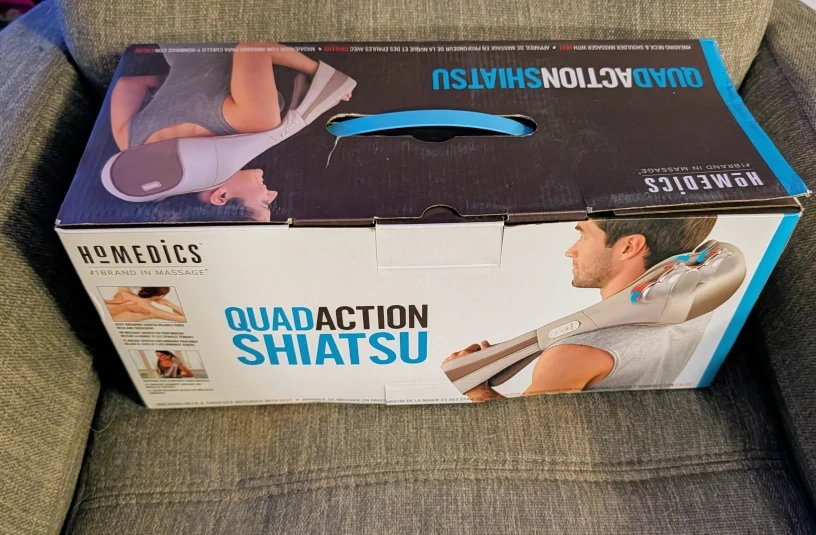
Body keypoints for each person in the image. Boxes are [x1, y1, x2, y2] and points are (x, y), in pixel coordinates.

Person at [445, 216, 718, 402]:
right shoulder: (699, 299)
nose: (570, 251)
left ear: (628, 247)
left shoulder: (574, 353)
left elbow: (525, 436)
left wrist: (477, 390)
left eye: (583, 236)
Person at [109, 42, 352, 222]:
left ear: (221, 196)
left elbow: (253, 47)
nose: (272, 192)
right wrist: (183, 84)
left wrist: (321, 74)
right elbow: (129, 83)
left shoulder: (253, 122)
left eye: (264, 202)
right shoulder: (131, 146)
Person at [104, 287, 187, 323]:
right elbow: (186, 318)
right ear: (161, 296)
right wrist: (169, 304)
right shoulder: (152, 311)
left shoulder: (123, 292)